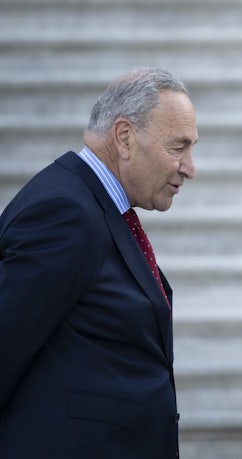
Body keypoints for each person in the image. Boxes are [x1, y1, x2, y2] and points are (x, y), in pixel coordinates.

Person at [0, 67, 197, 458]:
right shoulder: (66, 211)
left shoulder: (94, 203)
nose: (190, 167)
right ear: (124, 137)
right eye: (178, 147)